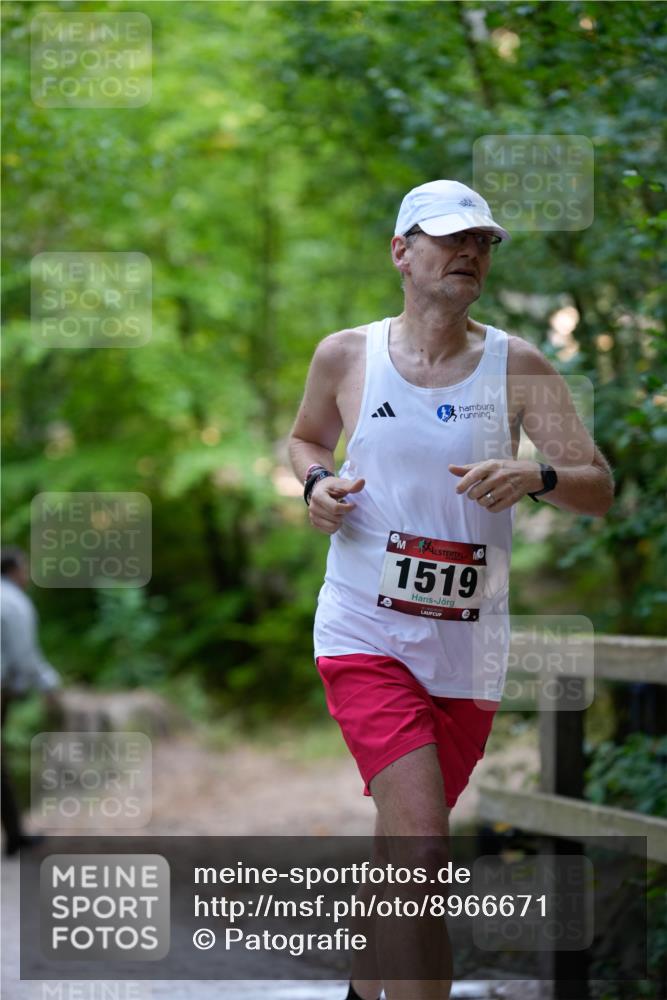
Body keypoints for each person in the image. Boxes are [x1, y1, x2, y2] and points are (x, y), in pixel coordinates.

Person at [288, 179, 614, 1000]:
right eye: (449, 237)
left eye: (481, 241)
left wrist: (537, 475)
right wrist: (316, 484)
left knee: (402, 854)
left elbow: (597, 488)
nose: (469, 251)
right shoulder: (345, 355)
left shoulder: (518, 364)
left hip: (467, 648)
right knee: (424, 853)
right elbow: (305, 439)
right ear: (402, 252)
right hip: (364, 631)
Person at [1, 545, 62, 855]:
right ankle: (15, 835)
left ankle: (15, 834)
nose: (28, 574)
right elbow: (24, 654)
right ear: (13, 570)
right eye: (25, 568)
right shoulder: (13, 602)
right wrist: (48, 684)